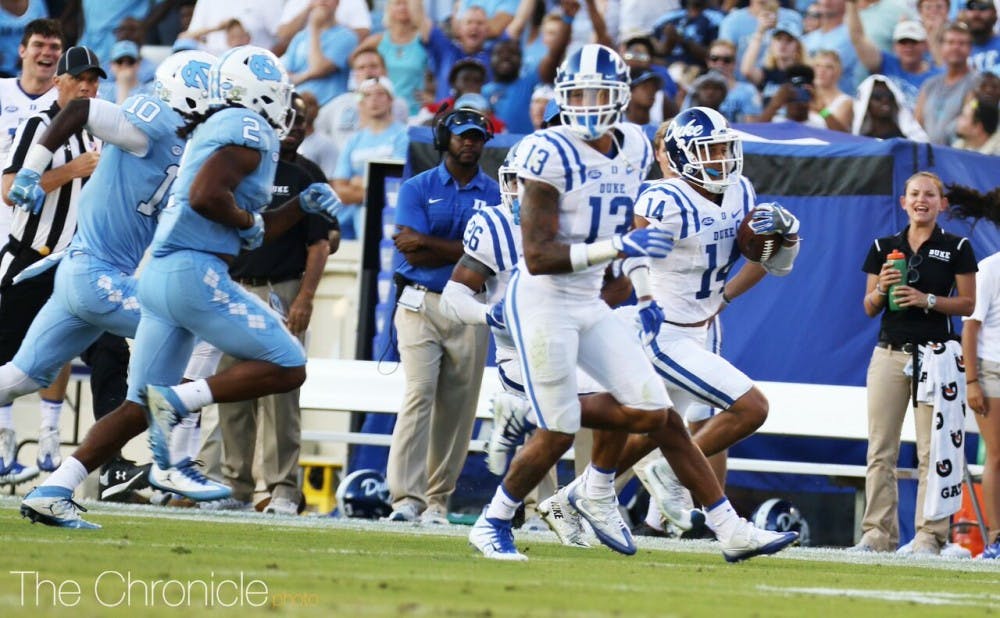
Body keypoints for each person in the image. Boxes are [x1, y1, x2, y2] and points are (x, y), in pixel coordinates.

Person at [468, 45, 797, 562]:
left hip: (604, 304)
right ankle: (497, 516)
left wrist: (773, 247)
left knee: (653, 415)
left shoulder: (634, 147)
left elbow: (638, 238)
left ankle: (717, 526)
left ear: (623, 96)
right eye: (581, 94)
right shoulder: (544, 152)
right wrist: (623, 255)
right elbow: (538, 257)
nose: (593, 104)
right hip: (549, 299)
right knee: (558, 427)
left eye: (602, 93)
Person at [19, 46, 343, 529]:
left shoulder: (208, 132)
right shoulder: (246, 126)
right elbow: (208, 196)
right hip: (192, 275)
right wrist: (246, 218)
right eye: (278, 93)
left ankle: (55, 487)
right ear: (256, 93)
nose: (285, 103)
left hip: (162, 277)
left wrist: (299, 207)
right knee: (289, 365)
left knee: (136, 406)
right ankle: (176, 451)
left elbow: (242, 222)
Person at [5, 48, 215, 524]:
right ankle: (172, 462)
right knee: (190, 333)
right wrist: (35, 171)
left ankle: (62, 486)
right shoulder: (154, 118)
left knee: (19, 376)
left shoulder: (189, 145)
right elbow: (79, 110)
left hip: (85, 273)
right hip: (94, 274)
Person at [611, 107, 802, 538]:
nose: (721, 158)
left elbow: (766, 261)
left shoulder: (740, 191)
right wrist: (643, 301)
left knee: (666, 425)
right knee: (738, 410)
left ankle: (584, 496)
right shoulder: (662, 198)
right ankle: (681, 492)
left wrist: (773, 251)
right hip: (663, 328)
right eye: (710, 150)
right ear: (677, 155)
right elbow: (634, 255)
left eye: (724, 148)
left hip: (703, 325)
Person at [214, 92, 336, 516]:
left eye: (303, 123)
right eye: (290, 120)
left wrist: (304, 297)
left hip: (280, 289)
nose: (296, 129)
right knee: (230, 389)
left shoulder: (304, 176)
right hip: (234, 287)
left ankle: (283, 487)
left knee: (281, 392)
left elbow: (321, 243)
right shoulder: (240, 166)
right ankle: (235, 484)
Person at [383, 106, 497, 524]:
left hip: (469, 305)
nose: (470, 143)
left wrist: (433, 244)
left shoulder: (497, 193)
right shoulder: (417, 186)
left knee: (458, 405)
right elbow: (407, 246)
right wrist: (469, 250)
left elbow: (492, 255)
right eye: (463, 135)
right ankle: (405, 498)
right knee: (419, 393)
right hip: (421, 301)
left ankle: (437, 500)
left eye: (478, 137)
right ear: (444, 140)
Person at [856, 171, 977, 555]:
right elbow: (869, 307)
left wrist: (926, 299)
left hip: (937, 356)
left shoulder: (957, 246)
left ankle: (929, 535)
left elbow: (968, 304)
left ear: (942, 204)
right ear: (903, 202)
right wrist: (881, 288)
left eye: (930, 194)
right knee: (880, 449)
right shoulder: (883, 246)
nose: (921, 200)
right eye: (914, 194)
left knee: (932, 450)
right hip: (890, 352)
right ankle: (877, 534)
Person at [0, 45, 103, 483]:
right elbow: (9, 188)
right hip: (30, 257)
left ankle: (48, 438)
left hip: (71, 261)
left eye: (94, 79)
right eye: (79, 77)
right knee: (6, 353)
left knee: (69, 348)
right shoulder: (38, 125)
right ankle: (5, 444)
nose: (87, 86)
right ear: (59, 81)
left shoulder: (95, 131)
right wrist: (73, 170)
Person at [951, 185, 1000, 560]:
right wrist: (972, 382)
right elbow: (970, 327)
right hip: (991, 370)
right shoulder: (990, 269)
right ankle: (997, 539)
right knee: (997, 455)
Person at [331, 76, 409, 239]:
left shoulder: (403, 135)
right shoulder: (353, 141)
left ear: (390, 100)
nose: (374, 100)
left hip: (391, 220)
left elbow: (397, 181)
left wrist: (358, 183)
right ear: (360, 102)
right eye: (367, 95)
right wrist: (373, 190)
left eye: (380, 94)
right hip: (356, 223)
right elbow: (339, 189)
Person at [279, 0, 359, 106]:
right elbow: (285, 77)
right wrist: (308, 75)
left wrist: (314, 28)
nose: (322, 1)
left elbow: (319, 67)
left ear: (337, 3)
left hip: (329, 104)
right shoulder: (300, 37)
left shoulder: (347, 36)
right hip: (298, 105)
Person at [915, 21, 980, 145]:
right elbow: (916, 124)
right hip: (927, 156)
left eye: (961, 43)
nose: (955, 47)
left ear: (970, 49)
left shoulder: (977, 82)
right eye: (950, 42)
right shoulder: (930, 84)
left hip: (957, 157)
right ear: (941, 47)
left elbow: (969, 123)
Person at [852, 74, 929, 140]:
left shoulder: (907, 139)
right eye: (877, 96)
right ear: (866, 102)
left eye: (889, 96)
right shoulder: (863, 141)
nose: (885, 100)